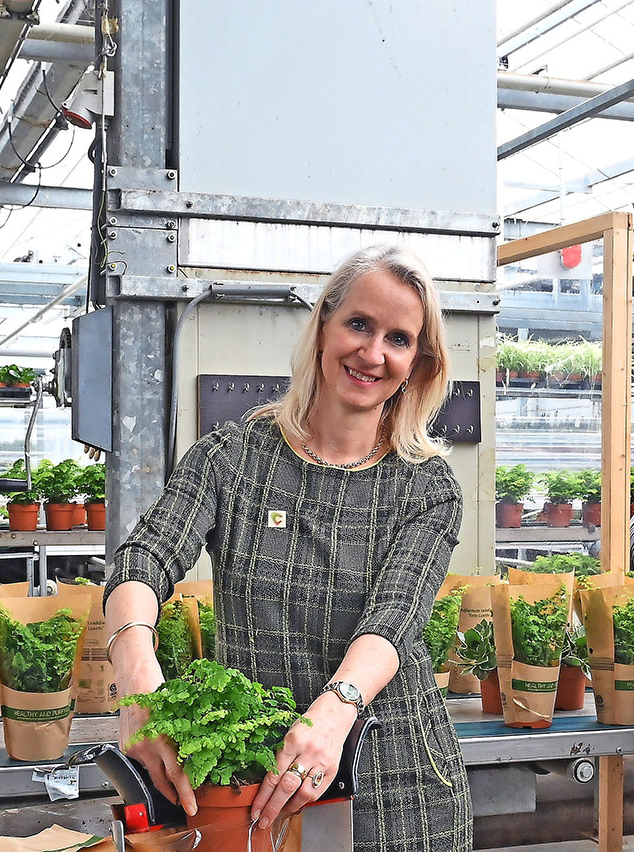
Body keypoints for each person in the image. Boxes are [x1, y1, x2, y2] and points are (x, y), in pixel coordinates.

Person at [103, 245, 472, 852]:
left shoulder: (426, 487)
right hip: (255, 780)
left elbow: (394, 621)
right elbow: (144, 560)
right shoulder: (233, 458)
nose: (372, 353)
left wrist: (334, 710)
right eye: (358, 323)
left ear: (419, 362)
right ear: (324, 322)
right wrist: (138, 680)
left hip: (399, 782)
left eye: (398, 339)